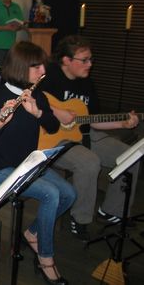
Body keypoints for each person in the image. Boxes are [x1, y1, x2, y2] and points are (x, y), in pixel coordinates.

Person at [0, 41, 75, 285]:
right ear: (22, 68)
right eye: (36, 66)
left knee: (69, 194)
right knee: (51, 195)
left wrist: (38, 113)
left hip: (28, 166)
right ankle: (46, 260)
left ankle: (32, 233)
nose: (42, 70)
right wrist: (0, 121)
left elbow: (54, 126)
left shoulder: (38, 95)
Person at [40, 35, 140, 242]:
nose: (89, 64)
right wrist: (57, 111)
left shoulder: (87, 83)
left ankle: (113, 210)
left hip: (85, 133)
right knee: (89, 162)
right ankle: (81, 218)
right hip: (55, 137)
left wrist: (122, 123)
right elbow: (28, 98)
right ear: (67, 60)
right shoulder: (49, 76)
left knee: (131, 155)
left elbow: (93, 120)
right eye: (84, 60)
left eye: (90, 59)